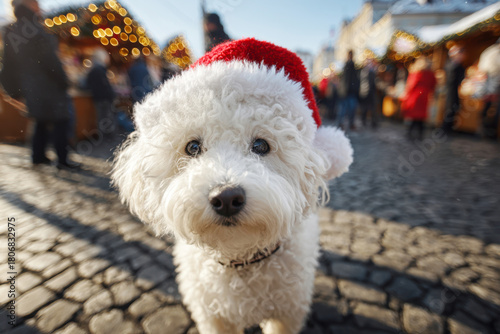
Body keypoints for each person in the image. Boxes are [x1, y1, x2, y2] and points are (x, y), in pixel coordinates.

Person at [0, 0, 78, 169]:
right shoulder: (34, 28)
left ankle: (38, 156)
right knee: (61, 120)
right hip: (49, 86)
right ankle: (62, 160)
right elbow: (49, 60)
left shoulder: (12, 29)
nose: (39, 5)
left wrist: (13, 91)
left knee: (40, 121)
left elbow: (8, 64)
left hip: (31, 87)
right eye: (36, 2)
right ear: (29, 4)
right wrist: (63, 80)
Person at [400, 57, 437, 141]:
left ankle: (410, 133)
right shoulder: (431, 74)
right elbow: (433, 85)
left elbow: (411, 85)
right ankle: (420, 135)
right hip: (424, 96)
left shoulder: (416, 73)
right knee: (420, 117)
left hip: (415, 96)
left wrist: (406, 94)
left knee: (413, 116)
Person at [85, 48, 116, 137]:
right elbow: (105, 85)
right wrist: (111, 95)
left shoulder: (93, 69)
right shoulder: (100, 70)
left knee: (101, 117)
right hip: (104, 97)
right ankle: (107, 135)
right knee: (106, 116)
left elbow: (88, 84)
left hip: (98, 97)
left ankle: (103, 135)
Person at [441, 45, 466, 133]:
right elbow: (452, 78)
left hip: (453, 90)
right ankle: (446, 127)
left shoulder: (454, 64)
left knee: (453, 108)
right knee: (450, 108)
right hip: (451, 90)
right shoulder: (453, 64)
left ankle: (448, 126)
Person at [337, 50, 359, 131]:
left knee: (346, 109)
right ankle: (348, 124)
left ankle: (343, 123)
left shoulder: (347, 65)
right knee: (349, 109)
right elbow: (348, 80)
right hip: (348, 91)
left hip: (348, 91)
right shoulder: (350, 65)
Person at [359, 58, 378, 128]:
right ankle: (368, 121)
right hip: (366, 92)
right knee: (367, 107)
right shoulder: (367, 71)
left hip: (368, 92)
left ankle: (371, 121)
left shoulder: (366, 71)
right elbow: (371, 82)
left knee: (369, 108)